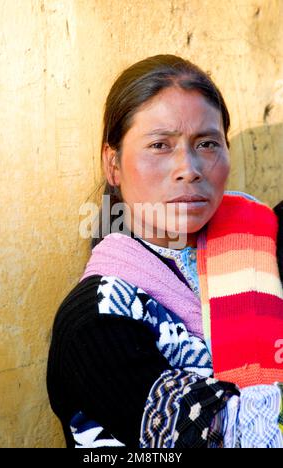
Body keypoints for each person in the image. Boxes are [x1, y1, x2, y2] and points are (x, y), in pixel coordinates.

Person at [47, 55, 283, 449]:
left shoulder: (261, 253)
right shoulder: (98, 320)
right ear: (113, 165)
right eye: (160, 145)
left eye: (207, 144)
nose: (188, 168)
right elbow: (222, 435)